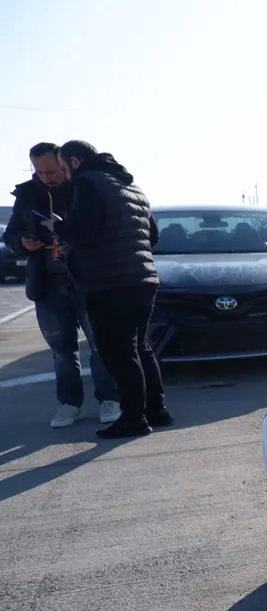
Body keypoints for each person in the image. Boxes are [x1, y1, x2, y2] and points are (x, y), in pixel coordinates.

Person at [42, 140, 171, 438]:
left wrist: (57, 226)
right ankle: (156, 410)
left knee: (119, 353)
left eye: (63, 168)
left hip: (109, 282)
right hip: (143, 278)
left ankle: (134, 419)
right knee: (140, 348)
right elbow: (152, 235)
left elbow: (83, 232)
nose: (65, 174)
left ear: (74, 161)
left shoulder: (87, 183)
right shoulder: (130, 186)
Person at [3, 142, 121, 428]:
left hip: (88, 281)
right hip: (48, 284)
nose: (47, 178)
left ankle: (110, 399)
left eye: (52, 171)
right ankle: (69, 403)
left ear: (65, 165)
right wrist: (22, 243)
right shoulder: (27, 195)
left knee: (101, 345)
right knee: (62, 350)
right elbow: (11, 234)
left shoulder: (84, 189)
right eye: (40, 172)